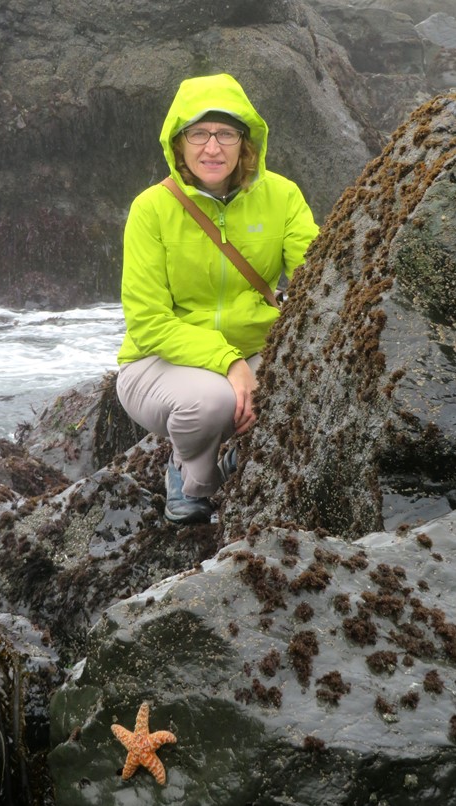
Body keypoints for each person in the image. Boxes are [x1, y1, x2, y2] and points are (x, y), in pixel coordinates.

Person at [116, 72, 319, 524]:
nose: (213, 147)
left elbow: (318, 274)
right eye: (199, 133)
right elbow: (148, 322)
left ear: (246, 141)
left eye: (226, 133)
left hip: (254, 350)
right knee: (210, 402)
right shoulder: (151, 208)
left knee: (309, 386)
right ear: (179, 141)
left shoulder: (282, 196)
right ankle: (195, 479)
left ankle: (236, 457)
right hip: (158, 363)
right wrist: (229, 362)